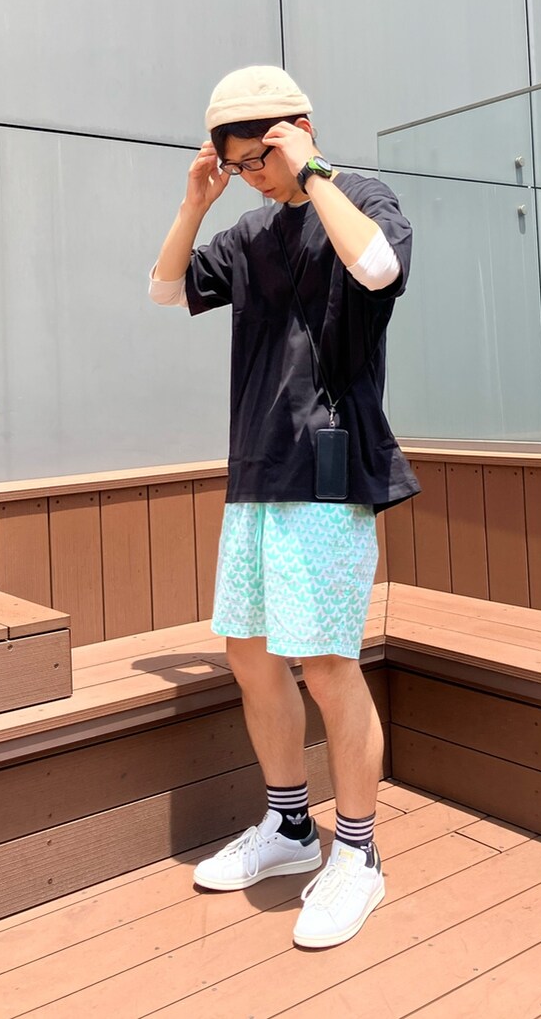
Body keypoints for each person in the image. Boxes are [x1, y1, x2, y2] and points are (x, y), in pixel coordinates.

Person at [149, 66, 419, 949]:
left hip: (330, 474)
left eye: (256, 158)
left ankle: (359, 853)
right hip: (257, 471)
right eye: (235, 164)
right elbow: (166, 287)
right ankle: (291, 824)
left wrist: (312, 172)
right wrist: (196, 203)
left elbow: (376, 266)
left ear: (297, 130)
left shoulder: (362, 198)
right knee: (252, 652)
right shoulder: (249, 231)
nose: (250, 176)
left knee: (326, 663)